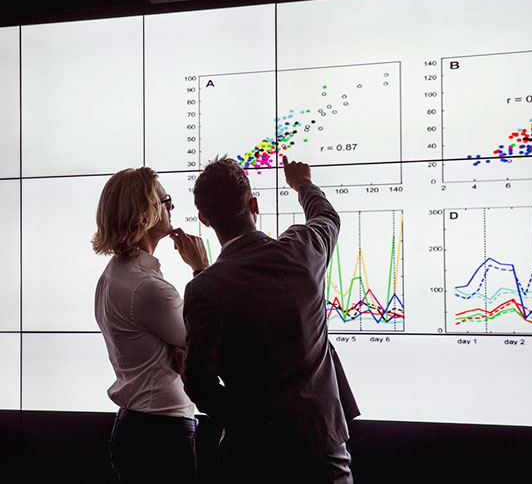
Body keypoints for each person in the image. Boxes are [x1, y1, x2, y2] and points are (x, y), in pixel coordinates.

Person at [172, 156, 359, 484]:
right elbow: (327, 216)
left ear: (203, 218)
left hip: (252, 456)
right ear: (254, 204)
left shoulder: (205, 288)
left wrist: (250, 420)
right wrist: (303, 184)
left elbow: (199, 382)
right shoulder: (303, 249)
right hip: (322, 450)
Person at [92, 167, 208, 484]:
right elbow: (207, 340)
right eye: (164, 200)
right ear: (144, 216)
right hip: (161, 434)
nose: (171, 206)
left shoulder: (113, 275)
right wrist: (202, 270)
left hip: (139, 427)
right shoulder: (147, 288)